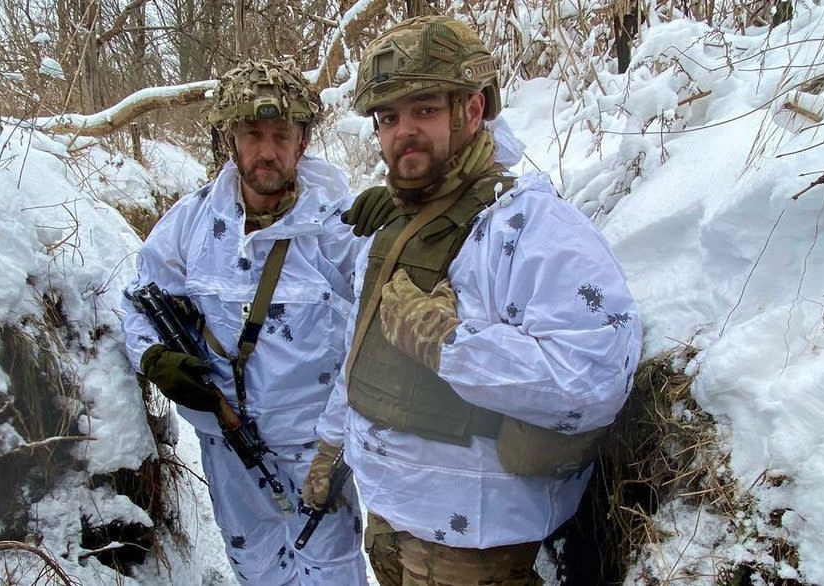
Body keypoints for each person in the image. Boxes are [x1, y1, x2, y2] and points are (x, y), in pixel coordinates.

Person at [303, 16, 643, 585]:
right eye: (388, 118)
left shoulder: (530, 227)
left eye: (425, 110)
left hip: (475, 548)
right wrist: (333, 444)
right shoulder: (396, 229)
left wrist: (449, 344)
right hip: (388, 518)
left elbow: (595, 381)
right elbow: (359, 354)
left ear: (474, 109)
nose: (402, 131)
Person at [120, 59, 367, 586]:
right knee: (255, 564)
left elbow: (374, 332)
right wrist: (152, 356)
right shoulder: (192, 223)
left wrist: (337, 437)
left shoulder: (337, 226)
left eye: (282, 134)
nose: (267, 150)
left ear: (302, 142)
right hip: (225, 439)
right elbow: (138, 298)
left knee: (331, 570)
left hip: (316, 446)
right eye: (253, 134)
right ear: (230, 139)